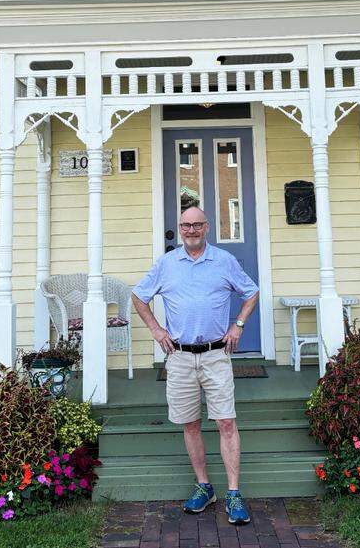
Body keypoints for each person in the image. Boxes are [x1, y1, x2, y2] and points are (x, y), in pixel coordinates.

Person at [131, 206, 259, 525]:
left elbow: (252, 292)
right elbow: (138, 296)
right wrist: (157, 330)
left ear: (207, 227)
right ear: (180, 228)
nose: (191, 230)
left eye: (197, 224)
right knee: (190, 423)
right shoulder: (166, 263)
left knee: (226, 422)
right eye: (186, 225)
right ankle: (204, 486)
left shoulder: (224, 261)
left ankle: (233, 493)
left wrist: (238, 325)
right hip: (180, 357)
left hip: (216, 354)